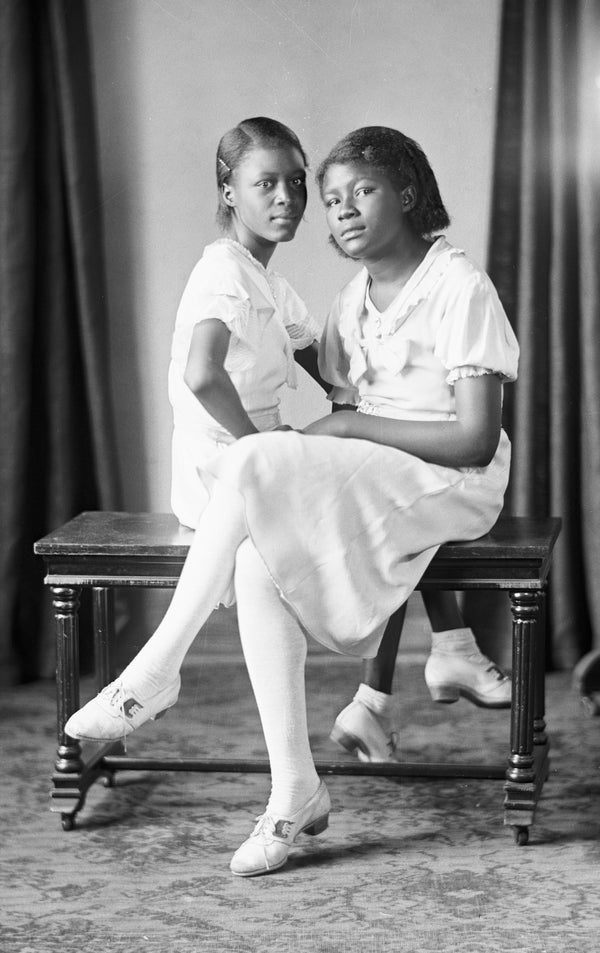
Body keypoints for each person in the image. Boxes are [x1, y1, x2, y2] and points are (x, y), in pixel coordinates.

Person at [66, 125, 519, 878]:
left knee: (254, 461)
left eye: (359, 192)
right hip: (381, 476)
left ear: (406, 195)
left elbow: (474, 441)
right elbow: (322, 382)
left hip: (452, 485)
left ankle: (155, 671)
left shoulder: (458, 284)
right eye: (331, 197)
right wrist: (334, 429)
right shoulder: (345, 303)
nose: (338, 210)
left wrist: (339, 424)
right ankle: (293, 789)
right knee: (255, 560)